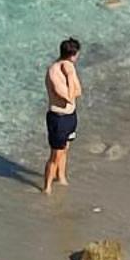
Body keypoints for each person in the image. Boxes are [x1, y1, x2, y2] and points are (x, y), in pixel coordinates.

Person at [43, 37, 81, 193]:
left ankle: (61, 177)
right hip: (58, 118)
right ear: (73, 55)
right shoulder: (54, 72)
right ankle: (47, 187)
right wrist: (71, 76)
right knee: (55, 155)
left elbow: (79, 91)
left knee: (65, 149)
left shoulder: (69, 68)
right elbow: (69, 96)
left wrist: (71, 74)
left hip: (71, 116)